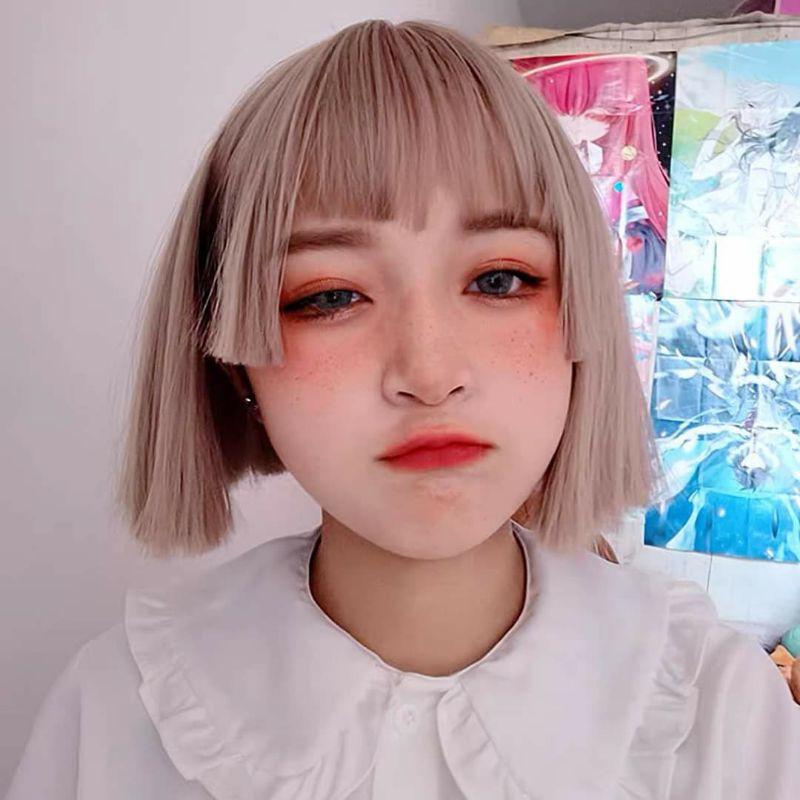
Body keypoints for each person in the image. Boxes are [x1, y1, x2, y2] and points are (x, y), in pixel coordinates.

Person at [6, 18, 800, 800]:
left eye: (499, 280)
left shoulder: (720, 709)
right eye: (330, 296)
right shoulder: (117, 711)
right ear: (232, 359)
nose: (429, 373)